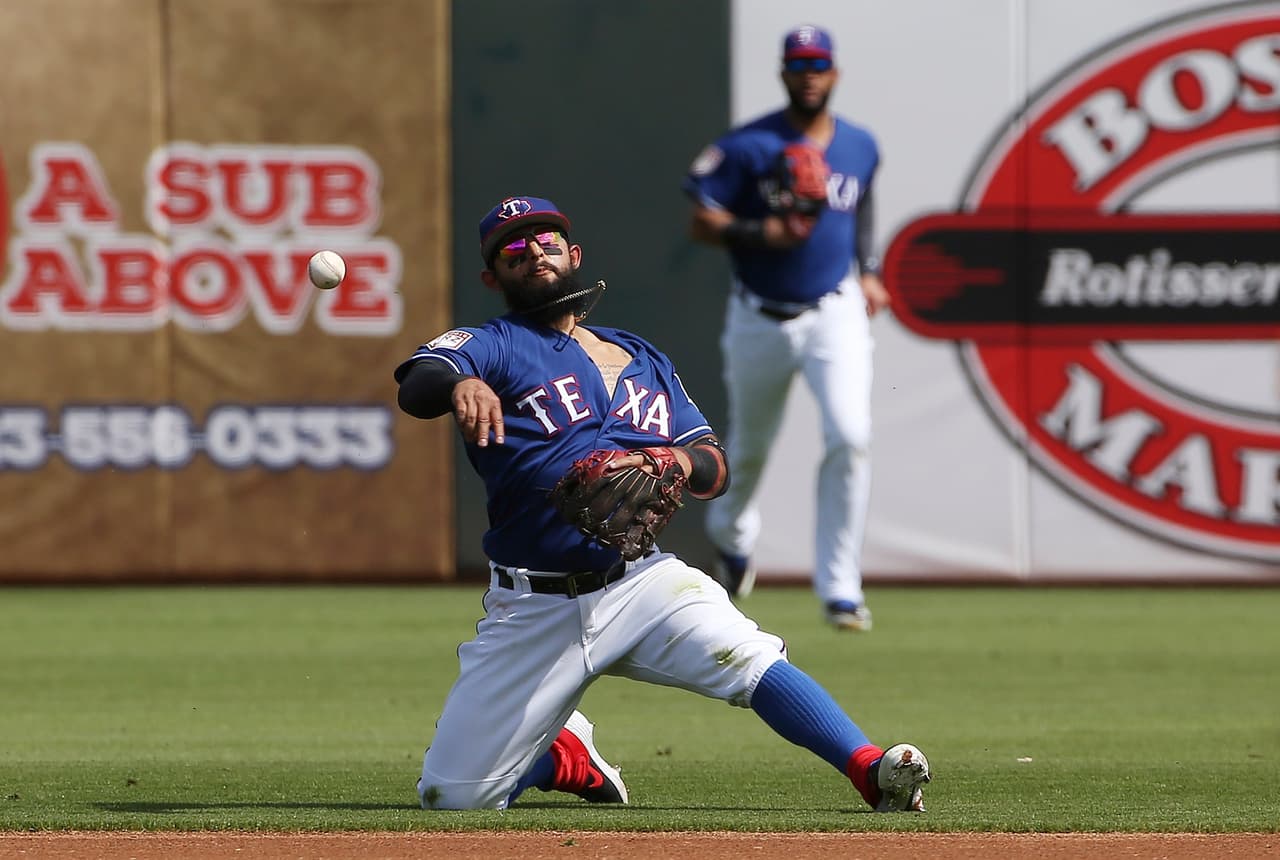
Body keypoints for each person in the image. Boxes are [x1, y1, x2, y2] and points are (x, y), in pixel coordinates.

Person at [393, 195, 930, 813]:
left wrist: (674, 460)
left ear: (573, 255)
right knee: (453, 798)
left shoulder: (641, 357)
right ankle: (564, 758)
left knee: (748, 657)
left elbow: (715, 466)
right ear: (493, 278)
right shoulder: (493, 346)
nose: (532, 251)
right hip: (532, 604)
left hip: (640, 584)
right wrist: (462, 381)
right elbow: (419, 381)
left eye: (545, 240)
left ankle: (871, 770)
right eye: (512, 249)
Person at [683, 25, 889, 631]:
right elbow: (701, 221)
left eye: (818, 64)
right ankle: (732, 537)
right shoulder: (748, 145)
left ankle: (841, 588)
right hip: (760, 313)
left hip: (835, 309)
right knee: (748, 449)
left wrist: (869, 270)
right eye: (799, 65)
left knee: (850, 435)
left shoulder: (859, 144)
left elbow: (863, 203)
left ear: (835, 72)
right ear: (783, 73)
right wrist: (757, 232)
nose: (809, 74)